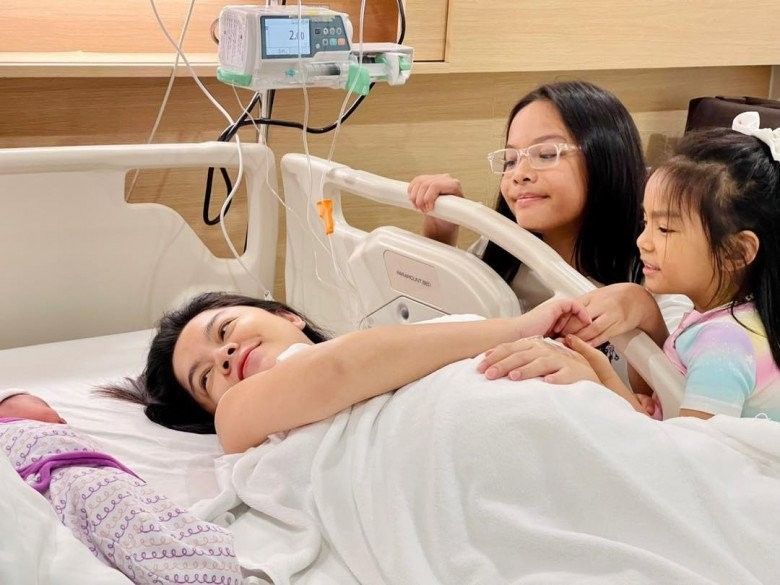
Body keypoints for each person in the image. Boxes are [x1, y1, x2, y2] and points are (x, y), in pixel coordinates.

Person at [479, 116, 780, 421]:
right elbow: (661, 395)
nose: (643, 241)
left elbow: (688, 447)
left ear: (736, 251)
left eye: (665, 229)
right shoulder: (714, 319)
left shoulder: (724, 345)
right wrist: (606, 376)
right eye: (645, 222)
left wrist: (596, 383)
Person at [105, 292, 599, 453]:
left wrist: (591, 380)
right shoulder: (237, 420)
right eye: (205, 378)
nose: (226, 354)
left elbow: (618, 409)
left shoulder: (430, 334)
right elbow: (339, 369)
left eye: (225, 329)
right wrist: (517, 328)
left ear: (287, 316)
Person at [407, 80, 646, 309]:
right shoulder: (498, 251)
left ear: (606, 158)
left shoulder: (647, 268)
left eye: (546, 154)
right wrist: (440, 234)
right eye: (511, 160)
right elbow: (434, 317)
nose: (519, 174)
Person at [0, 389, 243, 584]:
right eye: (43, 404)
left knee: (146, 520)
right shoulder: (10, 431)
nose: (61, 419)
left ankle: (201, 565)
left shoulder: (56, 436)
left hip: (97, 478)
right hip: (60, 486)